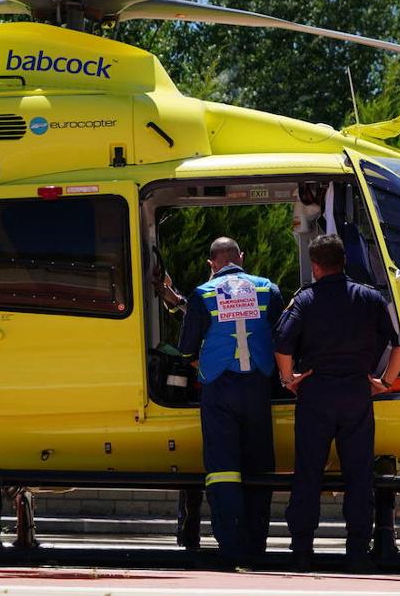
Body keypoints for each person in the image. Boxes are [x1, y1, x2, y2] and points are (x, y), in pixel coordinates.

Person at [274, 234, 400, 571]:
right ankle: (357, 549)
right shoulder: (370, 298)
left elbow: (282, 343)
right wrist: (385, 383)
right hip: (356, 392)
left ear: (315, 266)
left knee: (308, 471)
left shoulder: (305, 300)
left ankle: (302, 548)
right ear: (344, 261)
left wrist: (289, 378)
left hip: (316, 392)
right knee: (359, 473)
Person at [177, 237, 283, 566]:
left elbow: (185, 350)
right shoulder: (268, 289)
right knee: (259, 466)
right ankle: (257, 546)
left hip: (218, 388)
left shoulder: (202, 294)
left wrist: (201, 362)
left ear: (212, 264)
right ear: (242, 257)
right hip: (258, 387)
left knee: (222, 469)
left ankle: (230, 546)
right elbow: (284, 338)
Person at [152, 270, 205, 551]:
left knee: (194, 476)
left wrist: (174, 297)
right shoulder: (206, 301)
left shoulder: (205, 301)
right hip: (200, 397)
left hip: (204, 394)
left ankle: (189, 535)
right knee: (194, 476)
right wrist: (173, 296)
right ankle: (189, 534)